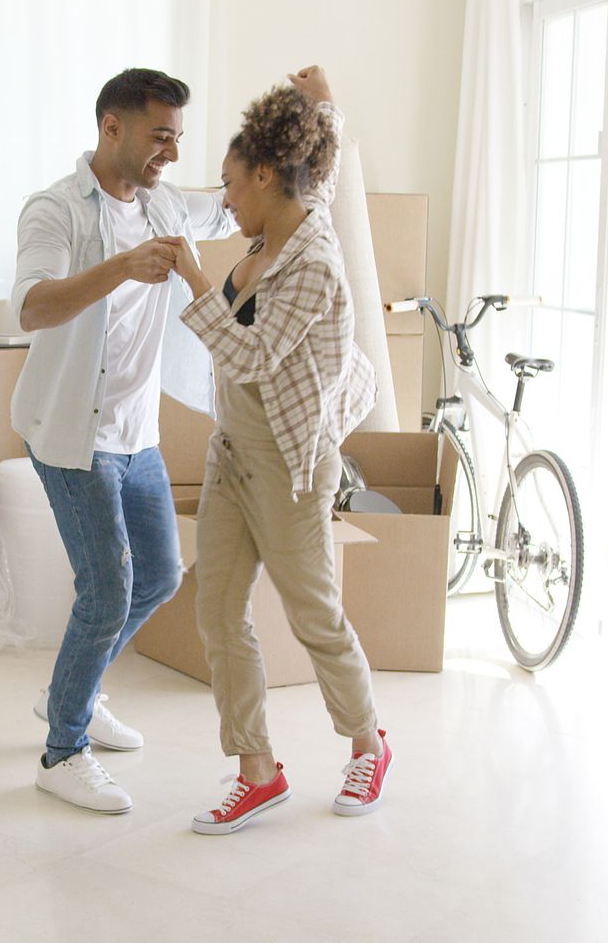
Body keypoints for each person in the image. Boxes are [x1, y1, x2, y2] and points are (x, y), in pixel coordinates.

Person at [168, 66, 391, 834]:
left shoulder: (315, 262)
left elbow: (253, 356)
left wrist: (195, 280)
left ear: (266, 176)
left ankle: (369, 741)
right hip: (232, 451)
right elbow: (317, 166)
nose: (225, 199)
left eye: (231, 183)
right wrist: (322, 98)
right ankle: (256, 768)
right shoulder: (285, 217)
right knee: (218, 609)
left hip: (293, 464)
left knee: (312, 612)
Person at [10, 68, 237, 813]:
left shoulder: (165, 200)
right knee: (106, 588)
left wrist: (308, 117)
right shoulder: (55, 209)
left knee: (161, 575)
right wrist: (117, 268)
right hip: (74, 434)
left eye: (177, 136)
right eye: (158, 135)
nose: (170, 151)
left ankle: (70, 692)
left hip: (138, 434)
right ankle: (62, 749)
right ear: (112, 127)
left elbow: (231, 200)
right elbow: (32, 308)